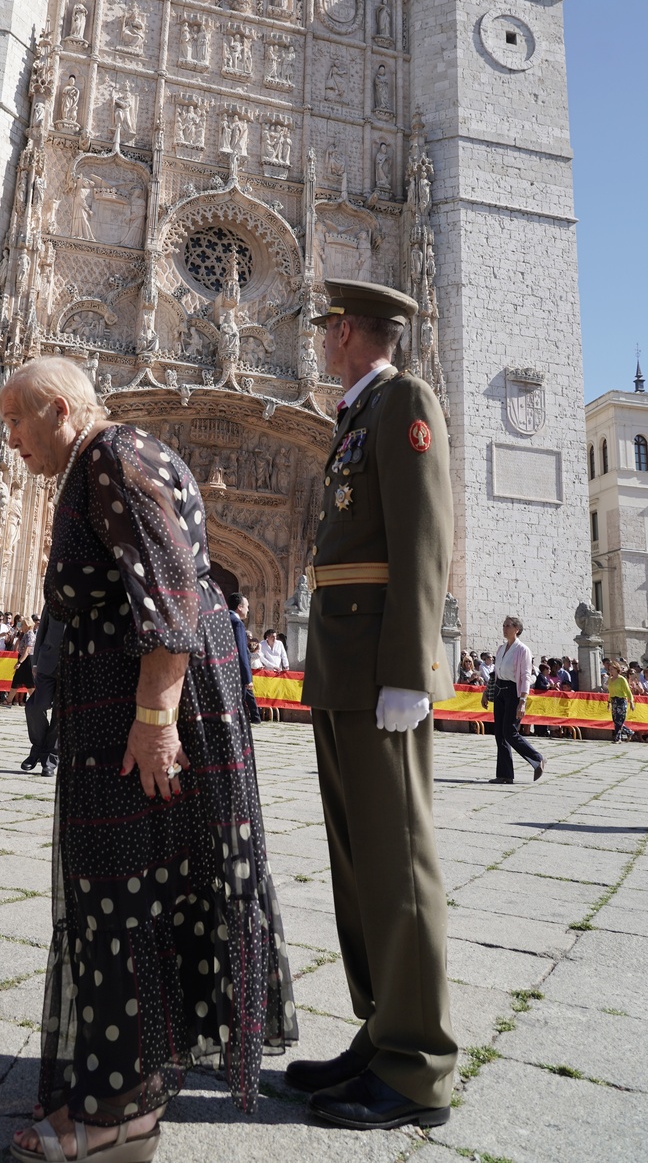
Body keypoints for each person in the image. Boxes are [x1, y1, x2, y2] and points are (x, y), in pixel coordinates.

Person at [0, 356, 295, 1161]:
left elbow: (170, 601)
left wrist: (155, 722)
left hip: (143, 715)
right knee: (129, 904)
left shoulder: (114, 461)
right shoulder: (118, 457)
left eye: (17, 422)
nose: (12, 441)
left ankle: (114, 1116)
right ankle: (117, 1100)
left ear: (59, 409)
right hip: (127, 710)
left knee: (121, 905)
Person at [286, 279, 457, 1131]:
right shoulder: (357, 417)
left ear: (350, 330)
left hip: (379, 669)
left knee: (400, 867)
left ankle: (418, 1066)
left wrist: (412, 670)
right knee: (360, 863)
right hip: (342, 665)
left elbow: (425, 539)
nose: (321, 339)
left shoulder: (404, 403)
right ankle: (381, 1029)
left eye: (327, 328)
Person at [491, 616, 545, 784]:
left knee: (510, 732)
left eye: (508, 626)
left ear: (517, 629)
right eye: (503, 625)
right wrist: (488, 692)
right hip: (500, 690)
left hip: (513, 693)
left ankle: (537, 758)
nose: (504, 628)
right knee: (499, 734)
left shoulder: (523, 650)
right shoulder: (501, 649)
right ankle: (505, 774)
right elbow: (496, 672)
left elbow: (525, 675)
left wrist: (523, 699)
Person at [22, 608, 64, 777]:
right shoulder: (54, 597)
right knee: (34, 706)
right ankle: (38, 747)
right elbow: (42, 631)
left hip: (73, 666)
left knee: (60, 715)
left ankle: (51, 758)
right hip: (47, 662)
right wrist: (35, 662)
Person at [227, 591, 261, 725]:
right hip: (236, 674)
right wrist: (247, 678)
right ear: (239, 607)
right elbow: (241, 651)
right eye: (247, 606)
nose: (248, 610)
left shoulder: (223, 618)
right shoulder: (237, 623)